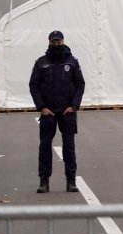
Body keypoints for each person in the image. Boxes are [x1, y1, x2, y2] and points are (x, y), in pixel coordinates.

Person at [29, 31, 85, 193]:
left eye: (59, 41)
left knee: (69, 148)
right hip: (48, 112)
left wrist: (74, 106)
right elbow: (33, 86)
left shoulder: (72, 62)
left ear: (63, 41)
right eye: (54, 42)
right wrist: (42, 108)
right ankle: (44, 181)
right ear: (49, 42)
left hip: (67, 112)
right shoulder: (41, 62)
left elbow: (80, 85)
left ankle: (71, 181)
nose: (56, 44)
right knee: (45, 147)